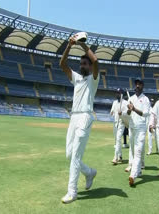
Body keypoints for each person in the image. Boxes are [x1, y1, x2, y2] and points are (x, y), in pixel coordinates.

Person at [59, 34, 99, 203]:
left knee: (75, 156)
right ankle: (89, 172)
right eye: (81, 63)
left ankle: (72, 192)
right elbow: (62, 64)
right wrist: (69, 46)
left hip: (85, 116)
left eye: (85, 63)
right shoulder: (76, 78)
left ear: (89, 67)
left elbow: (96, 61)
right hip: (74, 117)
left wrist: (82, 44)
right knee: (69, 155)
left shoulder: (93, 79)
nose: (82, 65)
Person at [126, 78, 150, 186]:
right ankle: (139, 171)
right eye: (136, 84)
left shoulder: (145, 99)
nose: (137, 86)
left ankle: (133, 175)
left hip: (141, 128)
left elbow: (145, 114)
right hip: (132, 127)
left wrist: (134, 109)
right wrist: (129, 109)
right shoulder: (131, 98)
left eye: (139, 84)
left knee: (138, 151)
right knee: (133, 150)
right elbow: (128, 114)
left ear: (142, 86)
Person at [110, 88, 128, 165]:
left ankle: (115, 157)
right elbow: (112, 111)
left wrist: (122, 113)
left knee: (118, 139)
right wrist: (112, 112)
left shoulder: (125, 103)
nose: (116, 94)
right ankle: (120, 156)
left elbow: (127, 114)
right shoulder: (114, 102)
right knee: (117, 140)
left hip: (122, 122)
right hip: (115, 123)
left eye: (118, 93)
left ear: (121, 94)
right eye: (116, 92)